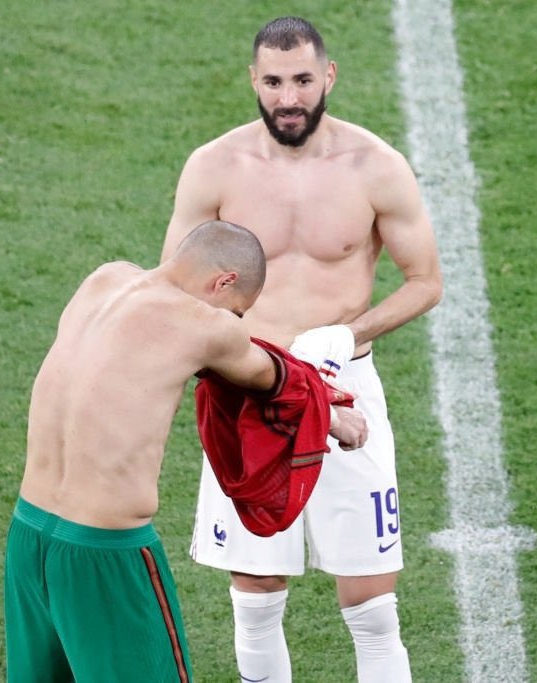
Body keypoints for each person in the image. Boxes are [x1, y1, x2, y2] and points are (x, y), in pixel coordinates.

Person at [160, 17, 443, 683]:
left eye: (304, 80)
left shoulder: (376, 167)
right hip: (247, 392)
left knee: (373, 604)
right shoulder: (214, 168)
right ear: (253, 81)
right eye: (275, 82)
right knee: (256, 596)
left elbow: (426, 281)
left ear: (329, 77)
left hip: (345, 386)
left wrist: (346, 335)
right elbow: (175, 285)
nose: (290, 97)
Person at [3, 220, 367, 683]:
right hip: (105, 551)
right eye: (237, 311)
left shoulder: (103, 280)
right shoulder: (205, 326)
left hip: (29, 535)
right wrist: (335, 418)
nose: (235, 323)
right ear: (224, 282)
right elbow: (273, 380)